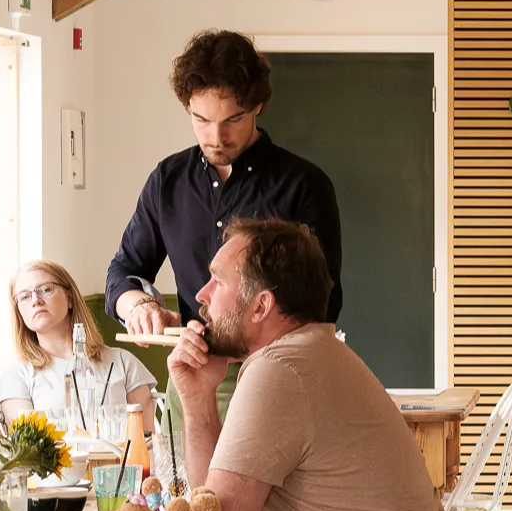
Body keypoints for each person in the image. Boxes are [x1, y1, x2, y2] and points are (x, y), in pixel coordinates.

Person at [165, 219, 477, 511]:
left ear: (261, 305)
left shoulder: (279, 369)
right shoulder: (314, 354)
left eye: (218, 282)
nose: (201, 294)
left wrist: (195, 413)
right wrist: (198, 399)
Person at [108, 29, 343, 338]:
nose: (216, 138)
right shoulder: (168, 180)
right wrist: (139, 307)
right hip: (188, 364)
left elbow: (325, 302)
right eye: (202, 120)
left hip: (273, 368)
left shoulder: (304, 186)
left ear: (257, 106)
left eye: (232, 120)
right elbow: (122, 273)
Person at [0, 260, 169, 478]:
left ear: (69, 297)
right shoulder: (16, 377)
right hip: (55, 490)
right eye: (25, 297)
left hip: (122, 484)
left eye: (45, 289)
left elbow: (146, 446)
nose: (36, 301)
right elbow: (27, 458)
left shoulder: (122, 362)